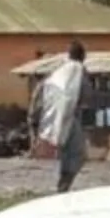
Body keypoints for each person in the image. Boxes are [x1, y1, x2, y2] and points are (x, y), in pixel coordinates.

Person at [31, 41, 93, 193]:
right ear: (83, 56)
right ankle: (65, 184)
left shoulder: (58, 70)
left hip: (52, 115)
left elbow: (41, 89)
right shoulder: (79, 70)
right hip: (70, 116)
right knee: (79, 154)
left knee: (66, 153)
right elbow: (86, 95)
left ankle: (62, 183)